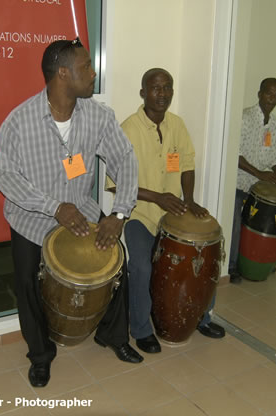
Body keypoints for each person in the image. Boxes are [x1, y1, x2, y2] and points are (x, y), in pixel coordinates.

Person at [0, 38, 142, 388]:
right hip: (32, 220)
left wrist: (118, 214)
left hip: (84, 214)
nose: (93, 73)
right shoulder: (19, 121)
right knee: (27, 281)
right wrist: (54, 207)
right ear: (63, 74)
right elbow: (5, 176)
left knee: (118, 265)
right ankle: (41, 355)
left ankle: (114, 336)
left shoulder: (99, 116)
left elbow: (125, 160)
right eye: (86, 66)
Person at [108, 68, 225, 355]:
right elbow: (116, 185)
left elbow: (186, 163)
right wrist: (157, 197)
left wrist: (190, 199)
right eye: (155, 88)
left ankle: (201, 316)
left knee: (203, 251)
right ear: (143, 93)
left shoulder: (177, 125)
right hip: (141, 214)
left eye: (167, 87)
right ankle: (142, 329)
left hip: (174, 214)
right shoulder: (128, 129)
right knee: (143, 267)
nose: (162, 94)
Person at [228, 77, 276, 283]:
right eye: (269, 93)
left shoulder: (274, 123)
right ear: (259, 93)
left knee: (264, 224)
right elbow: (235, 155)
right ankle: (232, 266)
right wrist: (259, 174)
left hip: (259, 184)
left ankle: (261, 260)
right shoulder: (245, 118)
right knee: (237, 225)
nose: (272, 98)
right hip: (240, 182)